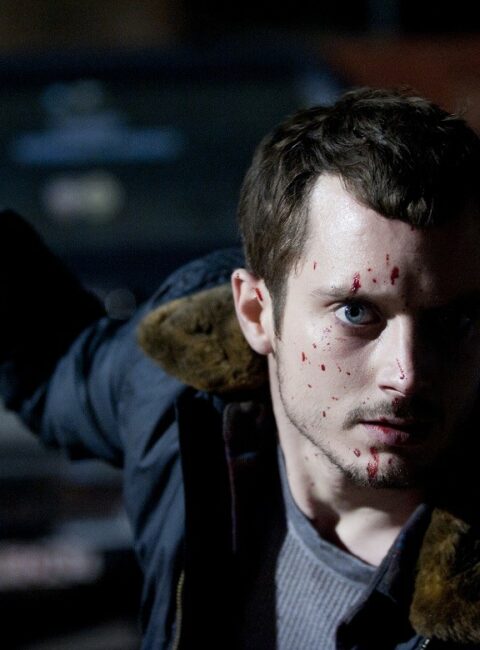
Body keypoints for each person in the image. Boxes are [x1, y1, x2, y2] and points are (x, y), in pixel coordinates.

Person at [1, 86, 480, 649]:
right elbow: (53, 365)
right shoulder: (179, 386)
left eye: (455, 320)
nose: (407, 372)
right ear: (255, 313)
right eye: (356, 312)